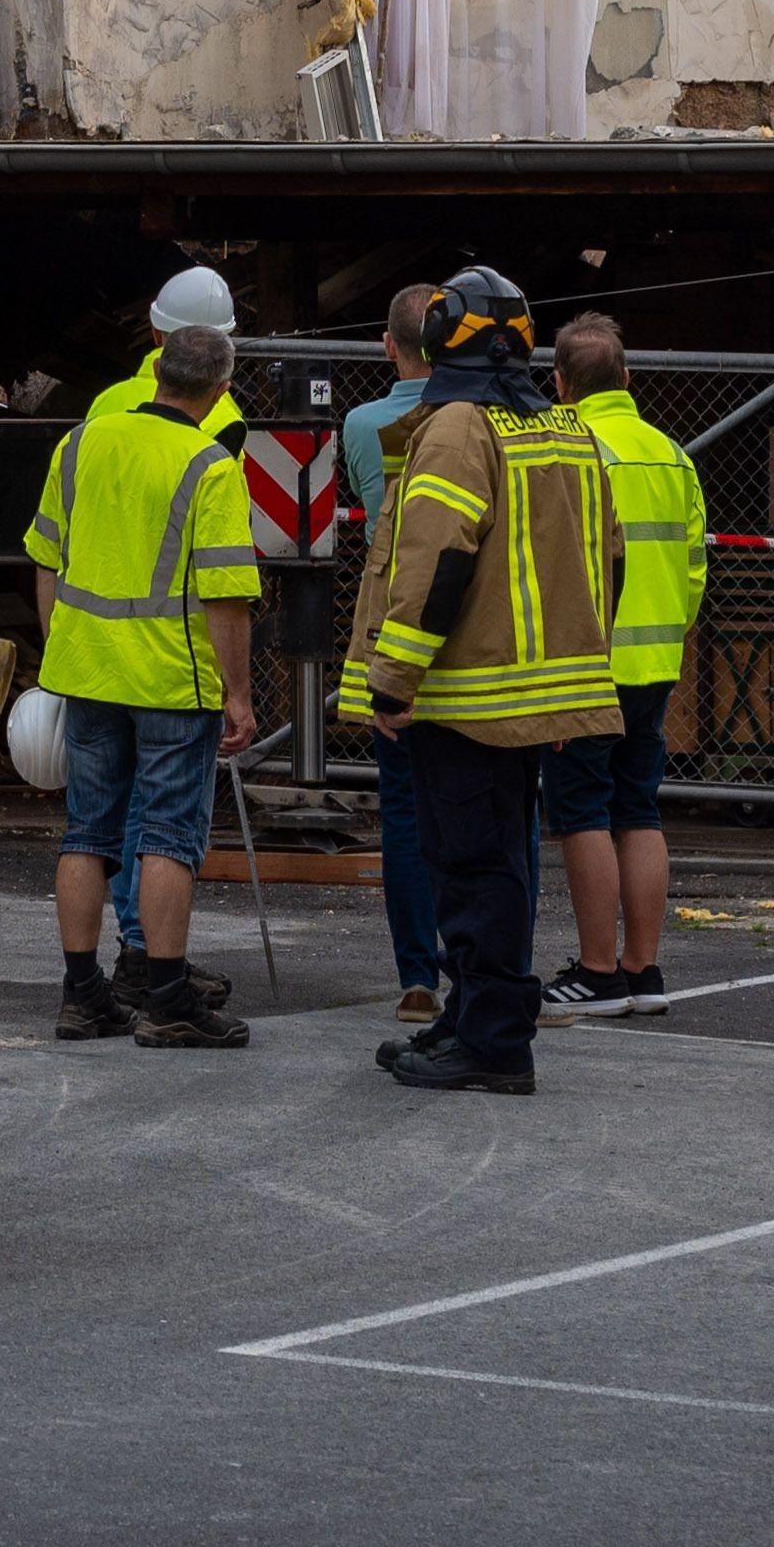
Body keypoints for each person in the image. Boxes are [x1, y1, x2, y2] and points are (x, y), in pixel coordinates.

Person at [341, 266, 619, 1098]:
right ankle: (472, 1017)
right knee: (495, 859)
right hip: (530, 692)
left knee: (470, 867)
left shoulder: (458, 428)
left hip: (465, 695)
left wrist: (393, 679)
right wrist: (569, 689)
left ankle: (492, 1041)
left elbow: (436, 562)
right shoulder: (565, 428)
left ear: (436, 342)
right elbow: (606, 559)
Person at [22, 291, 267, 1047]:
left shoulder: (81, 442)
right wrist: (238, 695)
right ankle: (166, 999)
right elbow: (226, 595)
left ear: (156, 369)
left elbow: (45, 560)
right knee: (166, 835)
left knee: (87, 832)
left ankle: (83, 995)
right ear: (220, 389)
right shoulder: (210, 465)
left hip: (87, 672)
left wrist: (62, 650)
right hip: (170, 680)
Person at [542, 314, 711, 1015]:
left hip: (587, 664)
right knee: (638, 807)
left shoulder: (566, 445)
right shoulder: (671, 453)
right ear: (627, 378)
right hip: (655, 659)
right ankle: (643, 970)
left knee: (581, 809)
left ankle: (597, 971)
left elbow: (554, 564)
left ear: (559, 383)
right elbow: (695, 566)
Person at [336, 294, 443, 1024]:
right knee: (486, 807)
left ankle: (417, 975)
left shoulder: (362, 425)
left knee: (402, 809)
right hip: (466, 634)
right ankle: (490, 965)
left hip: (389, 623)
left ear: (387, 345)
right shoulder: (481, 422)